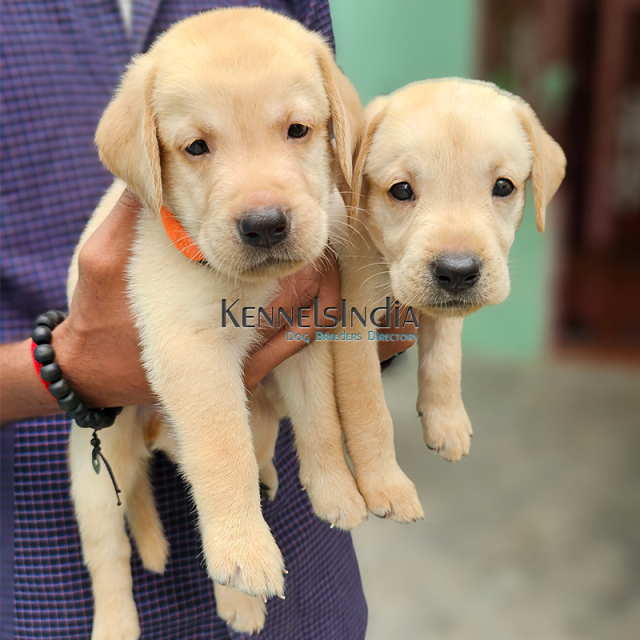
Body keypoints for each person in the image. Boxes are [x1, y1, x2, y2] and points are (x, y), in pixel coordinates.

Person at [0, 2, 413, 638]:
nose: (263, 208)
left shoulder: (292, 35)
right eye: (197, 146)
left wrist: (379, 313)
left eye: (297, 130)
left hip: (302, 584)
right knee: (106, 467)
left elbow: (351, 320)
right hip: (42, 575)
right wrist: (68, 369)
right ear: (150, 162)